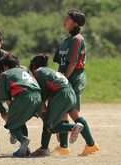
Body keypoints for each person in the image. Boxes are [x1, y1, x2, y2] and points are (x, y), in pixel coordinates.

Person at [53, 10, 99, 156]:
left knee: (72, 111)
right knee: (63, 110)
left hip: (74, 76)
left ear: (75, 24)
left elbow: (72, 62)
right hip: (65, 76)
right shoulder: (65, 40)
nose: (64, 20)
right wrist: (58, 77)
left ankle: (91, 144)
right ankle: (64, 147)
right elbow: (61, 63)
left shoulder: (77, 39)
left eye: (68, 19)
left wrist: (65, 79)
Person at [28, 54, 85, 156]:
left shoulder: (38, 72)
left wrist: (45, 114)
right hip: (70, 94)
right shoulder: (50, 72)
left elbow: (41, 99)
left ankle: (72, 127)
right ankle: (45, 147)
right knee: (51, 122)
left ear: (33, 66)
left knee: (49, 125)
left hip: (62, 95)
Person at [0, 54, 43, 157]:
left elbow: (6, 98)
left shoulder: (5, 74)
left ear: (4, 67)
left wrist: (13, 111)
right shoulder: (25, 69)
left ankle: (23, 139)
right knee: (21, 120)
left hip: (24, 96)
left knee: (11, 122)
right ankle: (25, 149)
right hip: (38, 96)